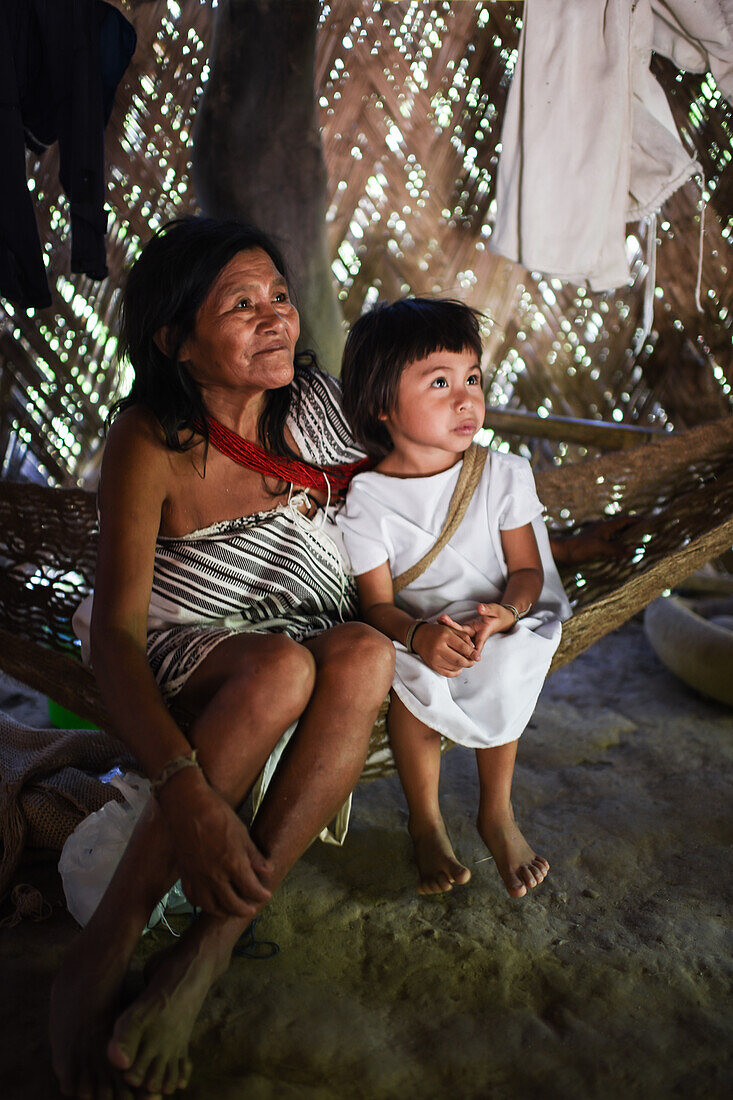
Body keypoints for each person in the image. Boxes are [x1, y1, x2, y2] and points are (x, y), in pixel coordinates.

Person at [49, 216, 395, 1100]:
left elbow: (431, 475)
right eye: (241, 305)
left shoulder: (317, 407)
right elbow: (119, 638)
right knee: (280, 669)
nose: (276, 317)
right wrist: (187, 791)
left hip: (303, 630)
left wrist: (537, 556)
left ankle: (208, 950)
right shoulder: (152, 441)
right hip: (186, 644)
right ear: (177, 341)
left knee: (358, 653)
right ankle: (105, 950)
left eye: (278, 295)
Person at [336, 298, 571, 899]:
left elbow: (526, 572)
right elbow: (377, 607)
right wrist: (419, 636)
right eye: (439, 382)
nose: (466, 397)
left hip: (497, 621)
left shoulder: (503, 475)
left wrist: (507, 614)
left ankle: (496, 813)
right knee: (412, 685)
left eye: (472, 377)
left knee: (507, 662)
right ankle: (426, 825)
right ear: (382, 404)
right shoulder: (367, 499)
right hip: (414, 631)